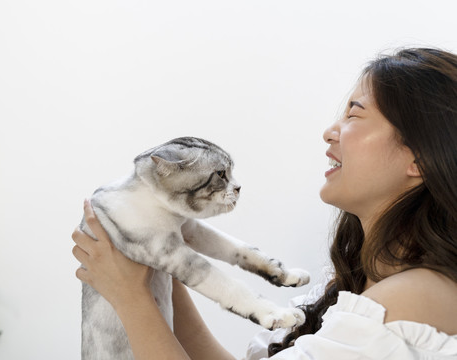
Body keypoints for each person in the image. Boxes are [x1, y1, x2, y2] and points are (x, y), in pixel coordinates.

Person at [72, 47, 457, 359]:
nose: (329, 132)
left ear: (419, 158)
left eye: (355, 113)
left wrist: (131, 299)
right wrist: (159, 264)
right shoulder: (360, 287)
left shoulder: (410, 298)